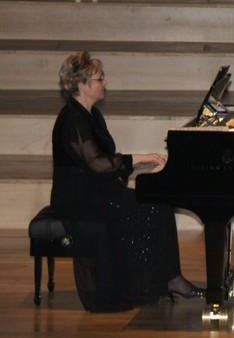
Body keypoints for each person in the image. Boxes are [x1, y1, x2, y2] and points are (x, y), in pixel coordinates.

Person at [51, 51, 202, 311]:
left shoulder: (92, 115)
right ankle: (151, 283)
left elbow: (105, 162)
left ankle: (168, 279)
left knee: (159, 203)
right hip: (80, 200)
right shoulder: (72, 119)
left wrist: (137, 167)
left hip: (96, 191)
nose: (105, 83)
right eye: (100, 79)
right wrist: (141, 159)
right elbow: (97, 164)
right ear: (82, 85)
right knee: (150, 207)